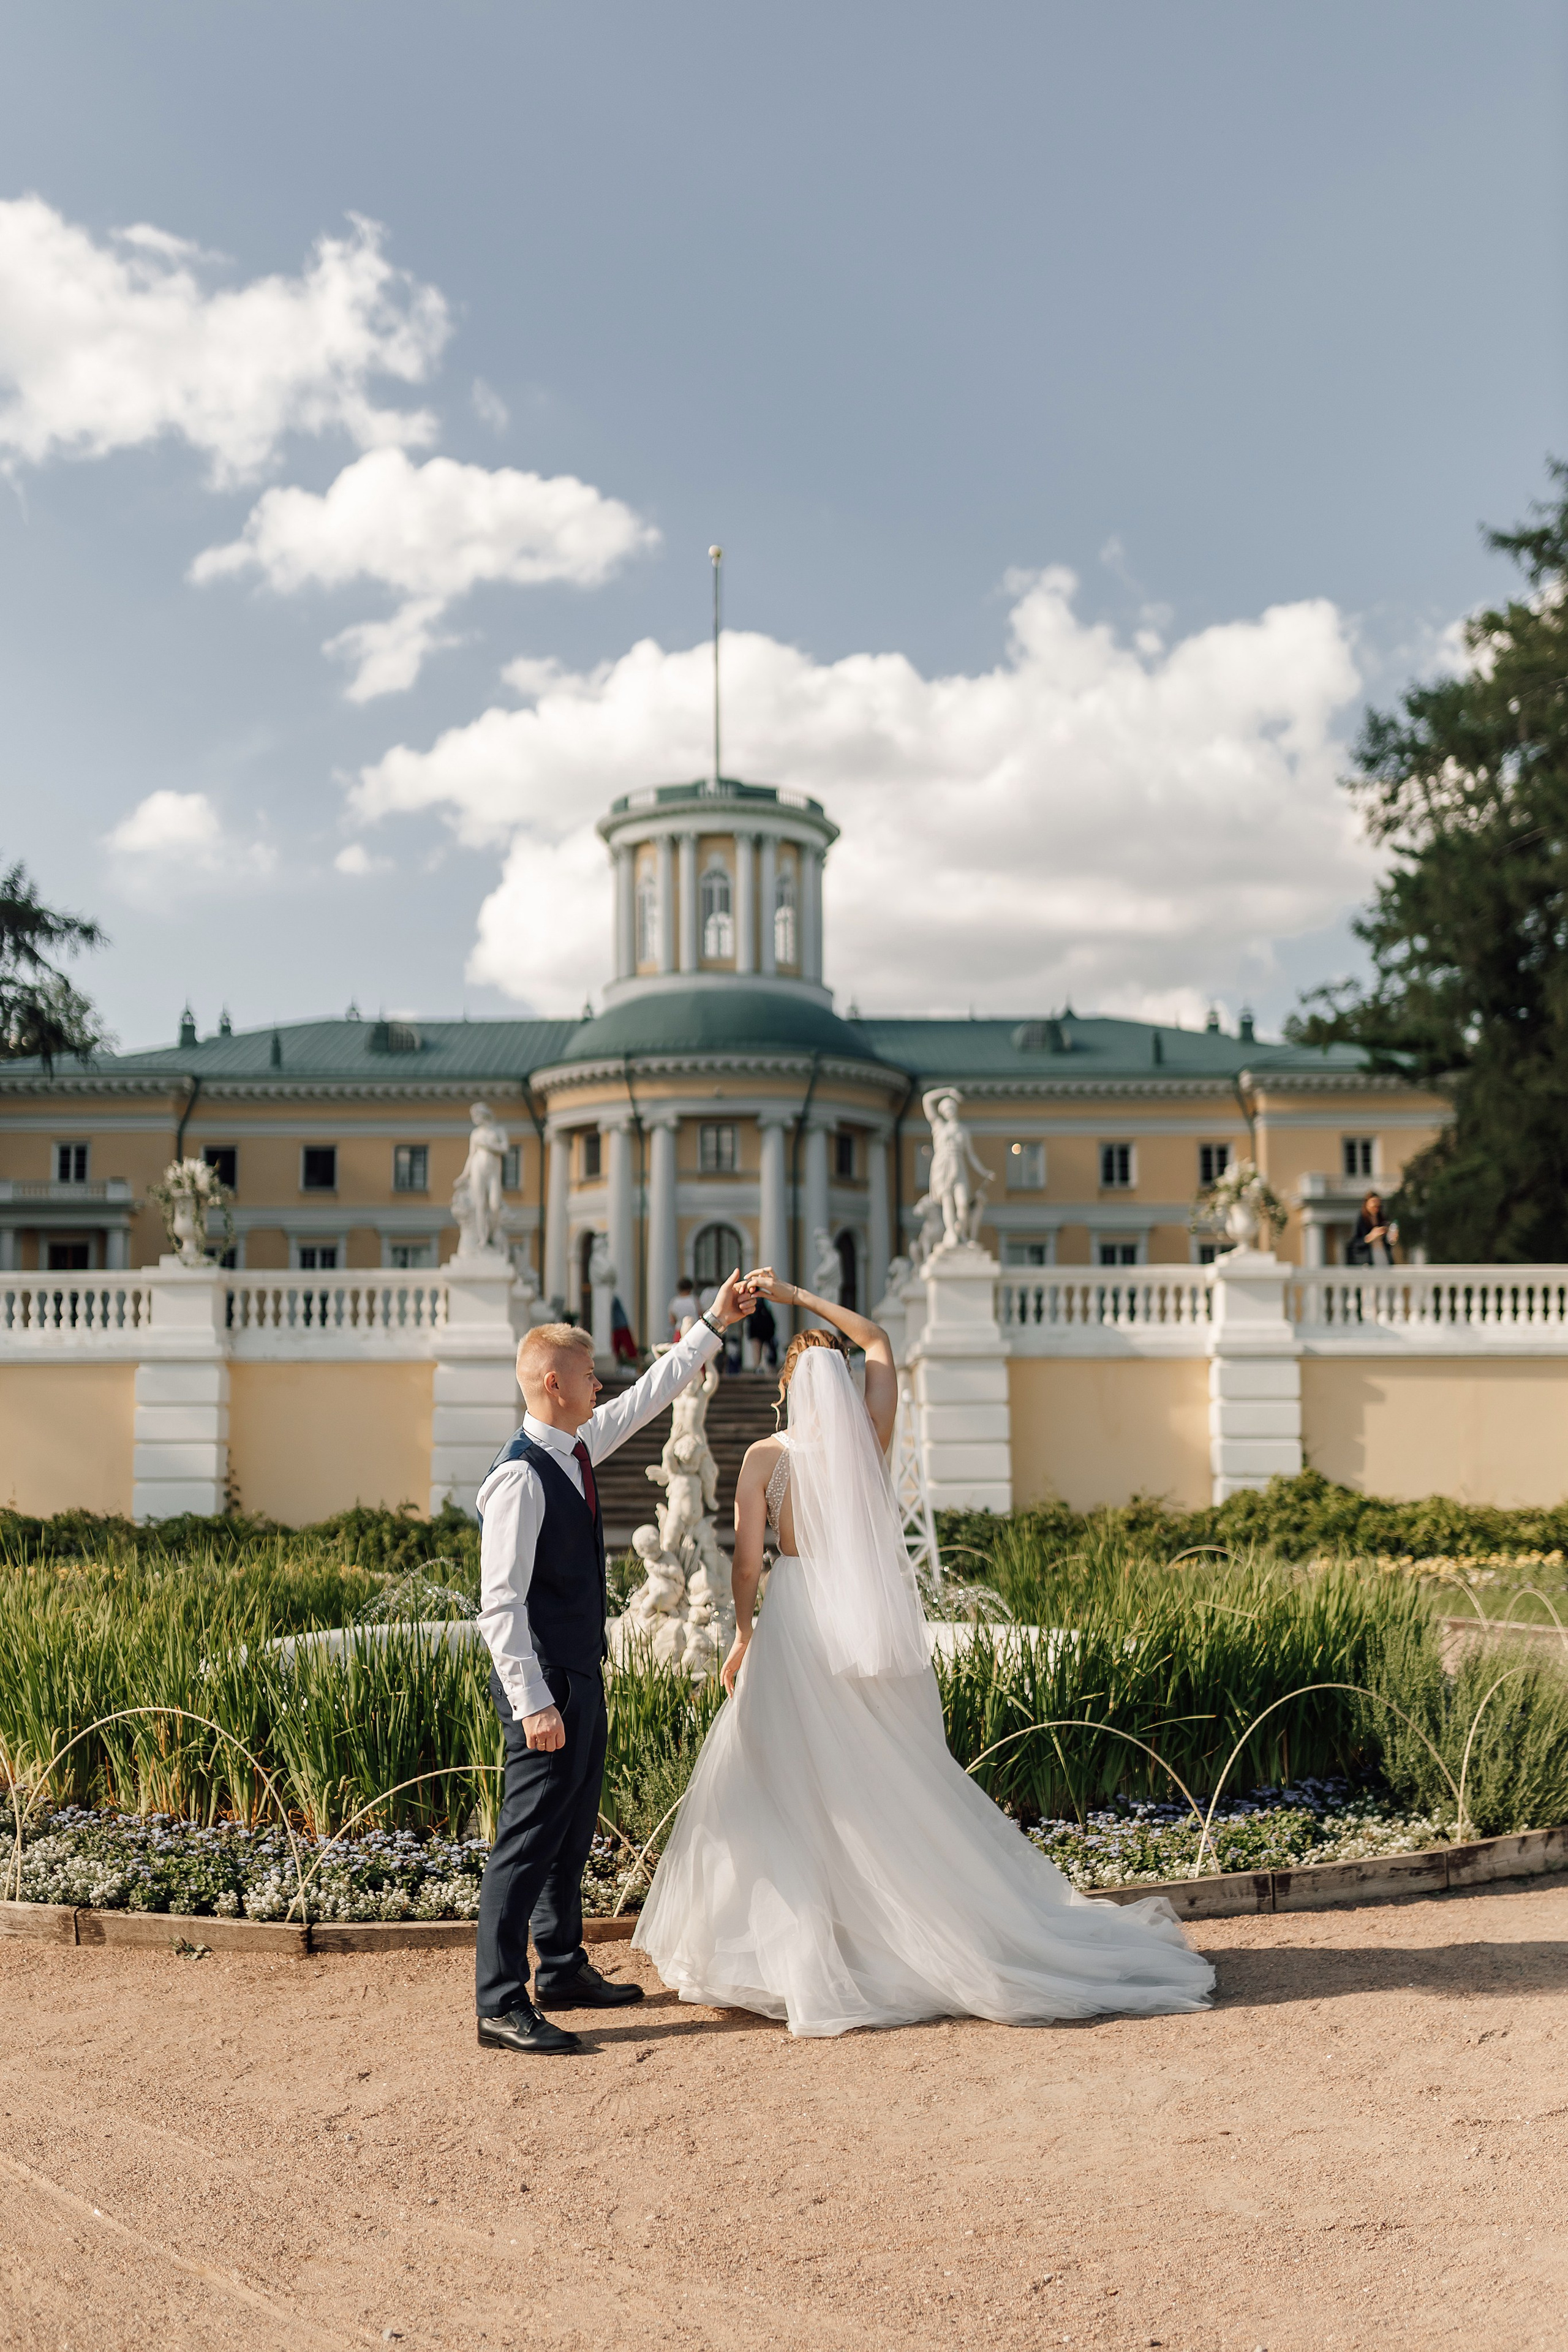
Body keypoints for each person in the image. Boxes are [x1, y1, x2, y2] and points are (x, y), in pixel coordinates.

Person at [633, 1266, 1215, 2038]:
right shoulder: (868, 1442)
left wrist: (742, 1634)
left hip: (798, 1615)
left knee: (787, 1779)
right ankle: (893, 1930)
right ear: (841, 1389)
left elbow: (744, 1564)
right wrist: (799, 1299)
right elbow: (875, 1337)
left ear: (783, 1390)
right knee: (879, 1773)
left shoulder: (766, 1459)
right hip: (857, 1618)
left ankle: (810, 1944)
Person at [473, 1267, 755, 2056]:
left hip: (580, 1671)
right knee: (526, 1840)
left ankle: (559, 1966)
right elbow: (500, 1606)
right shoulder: (519, 1479)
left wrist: (713, 1324)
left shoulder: (575, 1447)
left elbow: (649, 1396)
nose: (602, 1384)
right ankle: (499, 2001)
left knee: (569, 1831)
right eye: (590, 1374)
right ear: (553, 1383)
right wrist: (533, 1703)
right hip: (546, 1683)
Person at [1347, 1192, 1398, 1268]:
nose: (1376, 1207)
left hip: (1382, 1254)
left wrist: (1391, 1237)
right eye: (1373, 1203)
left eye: (1378, 1205)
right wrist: (1371, 1236)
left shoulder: (1382, 1219)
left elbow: (1388, 1242)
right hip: (1368, 1258)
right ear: (1367, 1204)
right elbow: (1355, 1243)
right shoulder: (1361, 1220)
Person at [745, 1289, 778, 1372]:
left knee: (757, 1350)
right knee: (763, 1350)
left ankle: (758, 1367)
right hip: (764, 1330)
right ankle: (761, 1367)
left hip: (757, 1330)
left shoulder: (752, 1302)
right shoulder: (765, 1301)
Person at [668, 1273, 696, 1338]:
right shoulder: (694, 1300)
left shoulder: (674, 1301)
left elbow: (672, 1320)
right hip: (694, 1330)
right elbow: (701, 1314)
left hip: (679, 1330)